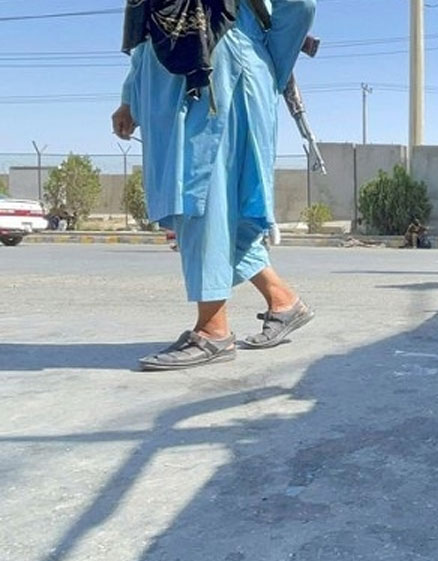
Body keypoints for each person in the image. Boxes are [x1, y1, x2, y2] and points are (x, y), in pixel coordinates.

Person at [113, 0, 316, 370]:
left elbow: (300, 5)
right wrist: (131, 98)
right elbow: (148, 24)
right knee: (213, 208)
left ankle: (213, 330)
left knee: (203, 196)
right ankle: (283, 300)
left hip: (219, 76)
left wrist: (270, 64)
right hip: (169, 86)